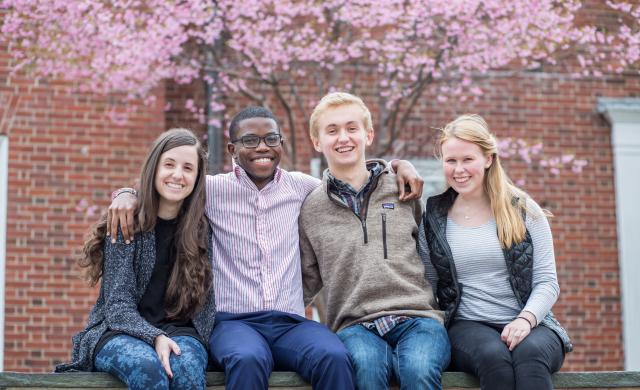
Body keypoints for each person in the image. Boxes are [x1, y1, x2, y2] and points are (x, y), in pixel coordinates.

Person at [107, 106, 425, 390]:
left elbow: (353, 181)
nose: (262, 147)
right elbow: (169, 183)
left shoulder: (304, 189)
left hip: (289, 322)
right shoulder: (212, 190)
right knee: (247, 359)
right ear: (232, 149)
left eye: (271, 139)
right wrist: (126, 193)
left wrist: (396, 166)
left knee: (334, 356)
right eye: (250, 141)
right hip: (232, 322)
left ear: (281, 145)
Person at [299, 92, 451, 390]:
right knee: (366, 371)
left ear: (368, 135)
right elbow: (305, 280)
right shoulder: (311, 208)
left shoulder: (402, 187)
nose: (343, 137)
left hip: (418, 318)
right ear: (317, 142)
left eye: (352, 128)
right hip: (353, 325)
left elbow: (430, 255)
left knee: (417, 369)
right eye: (332, 131)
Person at [55, 128, 216, 390]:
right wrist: (154, 337)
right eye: (169, 164)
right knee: (148, 368)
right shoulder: (126, 221)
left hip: (182, 332)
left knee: (185, 368)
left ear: (197, 177)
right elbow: (117, 306)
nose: (177, 174)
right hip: (118, 332)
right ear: (154, 168)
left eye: (188, 168)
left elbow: (205, 305)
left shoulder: (201, 228)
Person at [421, 114, 573, 390]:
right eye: (450, 161)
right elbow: (428, 285)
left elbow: (547, 282)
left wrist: (525, 320)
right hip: (466, 325)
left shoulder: (523, 209)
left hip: (531, 321)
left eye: (468, 159)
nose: (459, 169)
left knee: (530, 356)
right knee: (495, 358)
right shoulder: (433, 217)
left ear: (488, 159)